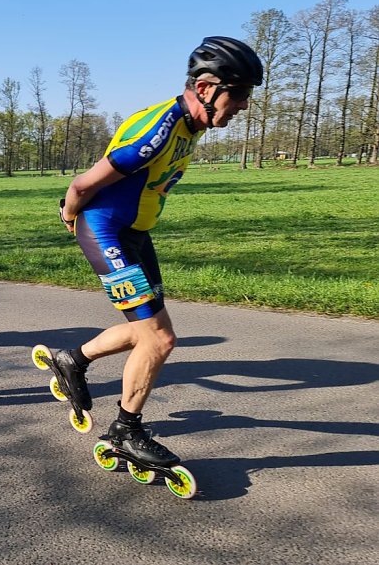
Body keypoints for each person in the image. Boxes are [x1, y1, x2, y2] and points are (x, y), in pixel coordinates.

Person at [54, 36, 263, 466]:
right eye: (239, 93)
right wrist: (71, 217)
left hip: (135, 236)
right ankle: (125, 432)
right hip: (107, 234)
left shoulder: (193, 125)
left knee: (147, 330)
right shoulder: (158, 129)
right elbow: (81, 186)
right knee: (161, 338)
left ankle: (72, 360)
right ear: (206, 88)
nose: (243, 105)